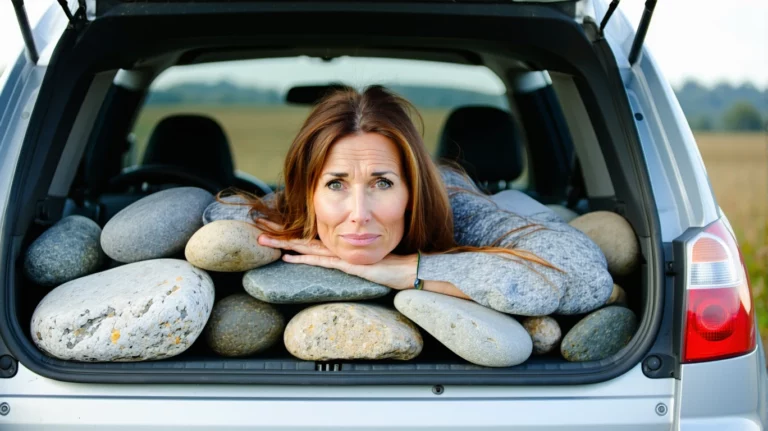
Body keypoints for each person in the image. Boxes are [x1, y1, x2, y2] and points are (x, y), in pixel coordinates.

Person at [231, 85, 613, 316]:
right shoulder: (280, 216)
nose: (359, 214)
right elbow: (218, 216)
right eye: (336, 184)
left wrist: (410, 270)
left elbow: (585, 277)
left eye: (382, 183)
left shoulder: (458, 207)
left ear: (413, 192)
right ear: (307, 194)